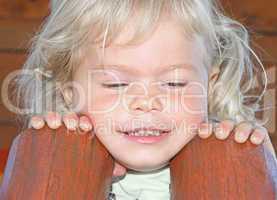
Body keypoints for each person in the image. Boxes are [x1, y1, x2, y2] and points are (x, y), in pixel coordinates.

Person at [11, 0, 276, 199]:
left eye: (174, 83)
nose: (147, 102)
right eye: (116, 84)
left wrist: (263, 172)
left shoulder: (231, 166)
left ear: (209, 85)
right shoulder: (48, 170)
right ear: (69, 91)